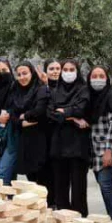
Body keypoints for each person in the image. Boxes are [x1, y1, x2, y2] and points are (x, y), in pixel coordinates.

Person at [48, 59, 91, 215]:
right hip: (58, 145)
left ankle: (79, 220)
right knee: (60, 185)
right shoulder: (54, 91)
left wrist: (63, 112)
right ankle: (63, 221)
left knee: (79, 186)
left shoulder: (84, 89)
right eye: (65, 69)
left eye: (71, 69)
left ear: (77, 71)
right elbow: (50, 114)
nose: (68, 72)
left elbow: (81, 109)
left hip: (78, 145)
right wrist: (71, 116)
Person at [88, 66, 112, 219]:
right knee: (102, 184)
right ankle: (111, 218)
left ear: (107, 78)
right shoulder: (88, 95)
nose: (97, 78)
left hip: (108, 148)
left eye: (101, 75)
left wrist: (108, 150)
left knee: (105, 183)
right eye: (94, 75)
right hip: (93, 149)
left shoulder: (111, 95)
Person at [10, 61, 50, 183]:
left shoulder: (41, 88)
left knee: (43, 177)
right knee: (30, 177)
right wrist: (21, 122)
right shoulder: (15, 90)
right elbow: (12, 115)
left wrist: (25, 115)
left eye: (25, 73)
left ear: (32, 73)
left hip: (41, 138)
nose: (22, 77)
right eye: (19, 74)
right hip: (24, 139)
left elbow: (40, 110)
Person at [38, 59, 61, 205]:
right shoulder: (39, 88)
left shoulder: (67, 88)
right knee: (44, 172)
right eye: (51, 68)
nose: (55, 71)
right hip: (43, 135)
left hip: (60, 136)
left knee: (58, 173)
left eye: (58, 68)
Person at [0, 59, 17, 185]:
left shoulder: (17, 87)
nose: (1, 74)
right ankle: (10, 202)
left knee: (1, 174)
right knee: (10, 176)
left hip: (14, 136)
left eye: (4, 70)